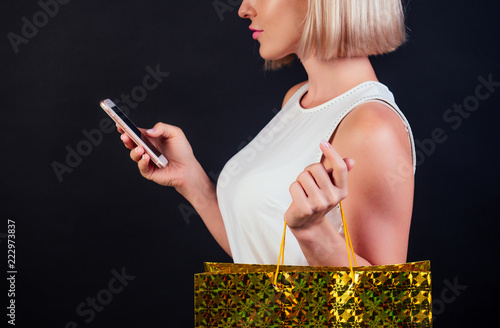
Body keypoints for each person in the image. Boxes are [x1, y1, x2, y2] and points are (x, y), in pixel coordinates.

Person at [118, 0, 415, 268]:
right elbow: (261, 255)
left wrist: (312, 232)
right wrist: (190, 179)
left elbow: (381, 309)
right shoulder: (297, 99)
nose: (244, 9)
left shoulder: (373, 128)